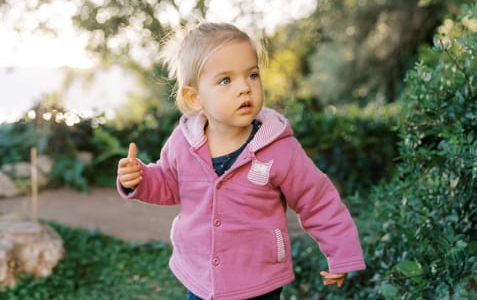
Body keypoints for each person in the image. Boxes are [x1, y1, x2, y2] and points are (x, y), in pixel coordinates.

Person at [117, 22, 366, 300]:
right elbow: (168, 183)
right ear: (195, 97)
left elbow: (317, 199)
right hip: (200, 276)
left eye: (252, 75)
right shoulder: (183, 142)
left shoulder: (279, 149)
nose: (244, 88)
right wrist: (139, 179)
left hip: (259, 280)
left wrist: (342, 252)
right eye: (226, 80)